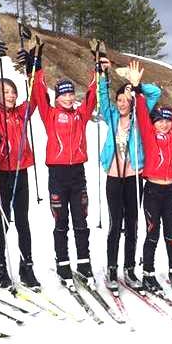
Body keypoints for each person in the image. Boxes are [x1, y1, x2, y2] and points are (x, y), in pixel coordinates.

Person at [31, 49, 97, 287]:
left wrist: (96, 68)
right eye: (64, 95)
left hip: (78, 174)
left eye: (71, 94)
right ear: (57, 97)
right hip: (57, 175)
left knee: (81, 221)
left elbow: (92, 95)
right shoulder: (50, 115)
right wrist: (36, 66)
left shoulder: (81, 115)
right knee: (61, 222)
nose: (69, 98)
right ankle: (63, 264)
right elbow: (38, 94)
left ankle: (84, 263)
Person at [0, 41, 40, 289]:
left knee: (23, 221)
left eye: (13, 91)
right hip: (1, 174)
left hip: (20, 172)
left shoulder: (21, 112)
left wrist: (32, 68)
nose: (12, 95)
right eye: (6, 92)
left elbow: (36, 96)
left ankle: (27, 267)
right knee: (3, 222)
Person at [97, 59, 161, 292]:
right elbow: (101, 97)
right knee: (116, 223)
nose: (122, 103)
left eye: (126, 100)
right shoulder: (112, 115)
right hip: (114, 177)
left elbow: (156, 93)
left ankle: (129, 267)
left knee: (132, 223)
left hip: (133, 177)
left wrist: (136, 86)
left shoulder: (139, 116)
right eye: (120, 100)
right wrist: (104, 75)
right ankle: (112, 268)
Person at [129, 60, 172, 294]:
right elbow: (142, 112)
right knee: (152, 232)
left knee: (171, 233)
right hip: (152, 190)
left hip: (171, 190)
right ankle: (148, 273)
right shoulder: (148, 133)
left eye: (167, 120)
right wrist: (136, 88)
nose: (163, 124)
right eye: (159, 120)